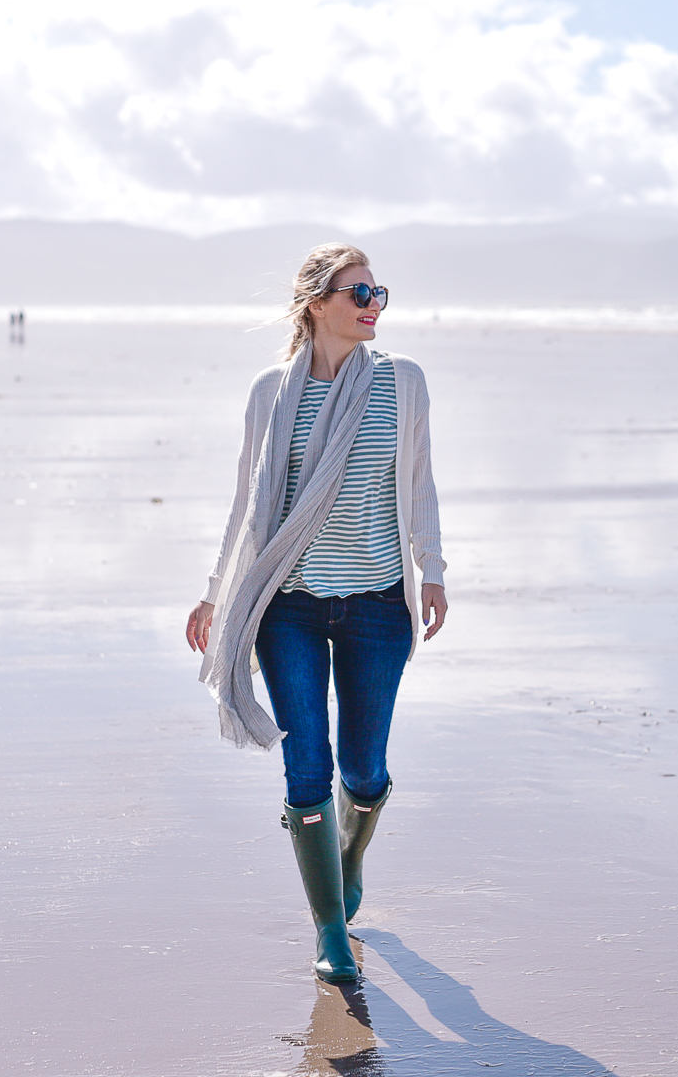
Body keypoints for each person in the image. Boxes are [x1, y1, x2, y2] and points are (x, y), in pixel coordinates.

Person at [186, 243, 447, 983]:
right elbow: (248, 501)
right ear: (317, 304)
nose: (372, 306)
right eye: (358, 293)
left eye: (378, 293)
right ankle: (329, 928)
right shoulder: (271, 392)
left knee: (363, 773)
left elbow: (419, 479)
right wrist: (215, 590)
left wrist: (432, 569)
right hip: (288, 607)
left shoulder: (403, 385)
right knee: (308, 767)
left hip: (376, 605)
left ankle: (348, 853)